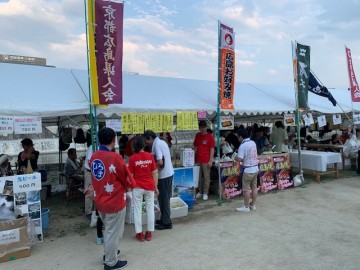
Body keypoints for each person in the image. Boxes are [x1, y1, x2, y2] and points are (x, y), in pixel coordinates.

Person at [90, 128, 136, 270]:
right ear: (113, 140)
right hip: (114, 201)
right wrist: (131, 186)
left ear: (98, 140)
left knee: (109, 231)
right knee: (112, 232)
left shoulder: (94, 156)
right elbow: (127, 178)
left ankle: (109, 253)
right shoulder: (115, 157)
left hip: (100, 200)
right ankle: (110, 262)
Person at [128, 136, 158, 242]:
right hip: (149, 186)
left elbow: (130, 175)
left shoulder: (132, 158)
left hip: (137, 187)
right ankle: (149, 233)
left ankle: (139, 233)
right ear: (143, 144)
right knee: (150, 209)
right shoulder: (150, 156)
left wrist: (130, 187)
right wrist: (156, 187)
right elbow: (154, 173)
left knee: (137, 210)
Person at [143, 130, 174, 230]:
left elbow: (160, 162)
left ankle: (166, 222)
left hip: (164, 176)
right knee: (163, 198)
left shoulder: (157, 145)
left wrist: (151, 168)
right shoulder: (161, 142)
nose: (146, 143)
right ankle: (164, 218)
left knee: (164, 199)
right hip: (167, 174)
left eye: (146, 141)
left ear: (150, 138)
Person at [235, 128, 259, 212]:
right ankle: (253, 205)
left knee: (246, 189)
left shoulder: (242, 145)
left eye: (238, 137)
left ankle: (246, 207)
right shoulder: (253, 142)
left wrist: (235, 157)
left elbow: (239, 159)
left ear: (241, 137)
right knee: (254, 188)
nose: (238, 138)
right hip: (255, 168)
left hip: (248, 170)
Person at [192, 120, 215, 201]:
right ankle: (200, 191)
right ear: (199, 128)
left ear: (206, 127)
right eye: (201, 127)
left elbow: (212, 149)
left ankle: (205, 193)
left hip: (206, 160)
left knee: (206, 177)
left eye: (204, 127)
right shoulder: (197, 135)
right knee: (198, 177)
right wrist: (188, 149)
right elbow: (194, 145)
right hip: (198, 160)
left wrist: (211, 160)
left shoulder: (210, 137)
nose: (202, 129)